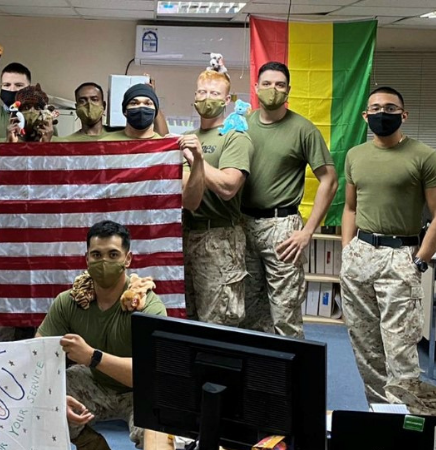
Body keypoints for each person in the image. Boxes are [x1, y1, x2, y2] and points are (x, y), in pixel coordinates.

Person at [341, 86, 436, 414]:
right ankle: (380, 419)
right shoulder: (355, 155)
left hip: (401, 256)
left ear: (403, 115)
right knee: (366, 350)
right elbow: (350, 208)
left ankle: (411, 426)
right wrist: (346, 250)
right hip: (360, 255)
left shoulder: (424, 155)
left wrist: (420, 260)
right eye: (377, 108)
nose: (384, 113)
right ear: (366, 115)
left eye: (391, 108)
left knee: (400, 354)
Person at [37, 220, 167, 449]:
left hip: (141, 391)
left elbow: (150, 374)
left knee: (162, 433)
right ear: (86, 259)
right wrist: (55, 398)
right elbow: (38, 354)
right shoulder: (70, 301)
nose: (104, 262)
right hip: (95, 382)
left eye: (113, 254)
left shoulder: (147, 307)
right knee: (41, 398)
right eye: (96, 255)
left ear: (128, 259)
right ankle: (91, 444)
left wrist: (93, 357)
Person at [240, 61, 337, 338]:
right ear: (256, 88)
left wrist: (307, 232)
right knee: (247, 313)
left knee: (285, 316)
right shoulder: (242, 126)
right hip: (243, 225)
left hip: (282, 228)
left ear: (288, 90)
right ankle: (256, 378)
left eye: (280, 85)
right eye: (267, 84)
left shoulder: (303, 129)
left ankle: (290, 382)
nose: (273, 90)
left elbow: (329, 181)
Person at [181, 69, 253, 326]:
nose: (207, 98)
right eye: (202, 92)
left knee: (218, 322)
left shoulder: (234, 137)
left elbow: (228, 186)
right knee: (184, 319)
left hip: (219, 240)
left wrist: (198, 161)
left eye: (214, 93)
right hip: (186, 235)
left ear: (226, 101)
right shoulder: (188, 138)